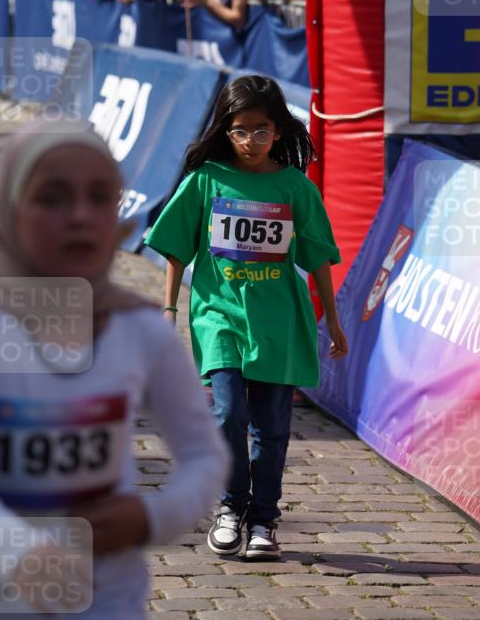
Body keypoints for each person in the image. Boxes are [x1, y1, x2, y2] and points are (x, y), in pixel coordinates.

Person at [0, 117, 229, 620]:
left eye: (101, 197)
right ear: (8, 208)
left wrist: (149, 517)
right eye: (52, 197)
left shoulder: (139, 331)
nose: (80, 216)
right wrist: (26, 552)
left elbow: (206, 457)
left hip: (102, 616)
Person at [145, 76, 348, 563]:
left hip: (279, 323)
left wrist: (335, 322)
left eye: (261, 131)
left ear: (278, 131)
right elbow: (176, 247)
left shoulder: (294, 187)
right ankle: (230, 508)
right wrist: (169, 307)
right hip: (219, 317)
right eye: (239, 131)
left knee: (272, 429)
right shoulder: (205, 180)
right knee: (227, 414)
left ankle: (264, 521)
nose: (250, 141)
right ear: (226, 130)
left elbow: (318, 258)